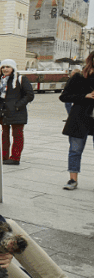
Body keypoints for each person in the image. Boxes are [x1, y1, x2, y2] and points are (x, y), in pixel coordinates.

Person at [60, 51, 94, 191]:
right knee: (75, 150)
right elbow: (64, 97)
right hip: (80, 117)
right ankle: (72, 180)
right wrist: (85, 96)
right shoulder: (79, 77)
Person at [0, 59, 34, 165]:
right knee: (3, 135)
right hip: (2, 111)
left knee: (17, 135)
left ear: (13, 68)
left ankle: (15, 157)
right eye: (3, 67)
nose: (5, 69)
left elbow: (29, 95)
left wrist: (17, 105)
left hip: (16, 111)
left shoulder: (21, 79)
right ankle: (4, 156)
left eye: (8, 67)